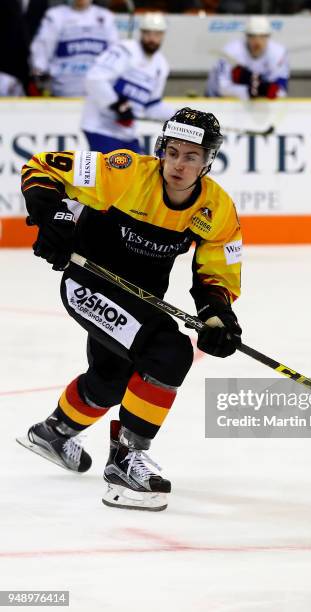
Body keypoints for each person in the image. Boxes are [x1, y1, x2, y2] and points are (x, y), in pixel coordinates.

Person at [18, 107, 242, 512]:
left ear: (208, 160)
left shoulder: (216, 209)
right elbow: (41, 168)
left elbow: (216, 270)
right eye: (172, 152)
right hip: (89, 285)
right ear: (161, 149)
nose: (178, 164)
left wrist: (218, 316)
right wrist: (53, 218)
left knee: (109, 379)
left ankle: (54, 432)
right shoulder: (124, 172)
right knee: (168, 353)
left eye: (191, 156)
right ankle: (125, 462)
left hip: (139, 301)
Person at [81, 12, 174, 154]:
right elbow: (95, 78)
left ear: (163, 36)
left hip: (127, 133)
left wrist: (177, 117)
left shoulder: (161, 65)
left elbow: (151, 105)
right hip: (100, 128)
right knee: (116, 174)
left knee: (141, 172)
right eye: (148, 33)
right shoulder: (125, 50)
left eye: (157, 34)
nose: (152, 39)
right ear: (141, 33)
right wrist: (117, 105)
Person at [29, 0, 118, 97]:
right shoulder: (55, 15)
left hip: (97, 95)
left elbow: (114, 54)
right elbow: (41, 53)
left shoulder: (106, 17)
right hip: (63, 92)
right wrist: (41, 82)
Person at [206, 15, 289, 100]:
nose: (257, 42)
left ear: (268, 37)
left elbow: (281, 91)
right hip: (217, 100)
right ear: (246, 36)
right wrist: (250, 91)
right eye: (253, 36)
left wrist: (262, 90)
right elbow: (222, 88)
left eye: (262, 36)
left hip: (259, 104)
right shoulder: (231, 52)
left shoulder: (278, 53)